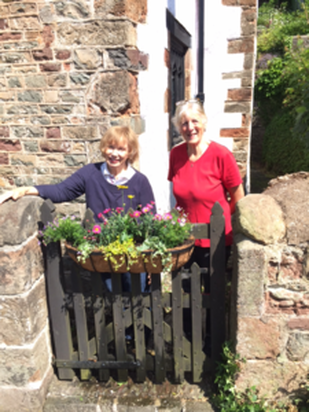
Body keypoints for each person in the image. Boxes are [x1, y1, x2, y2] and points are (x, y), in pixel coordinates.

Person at [0, 125, 155, 292]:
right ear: (104, 147)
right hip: (101, 248)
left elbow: (150, 219)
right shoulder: (91, 173)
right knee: (114, 294)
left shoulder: (140, 181)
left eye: (121, 149)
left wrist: (152, 258)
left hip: (133, 252)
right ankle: (122, 317)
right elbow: (62, 191)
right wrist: (26, 190)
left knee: (138, 295)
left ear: (130, 152)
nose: (114, 153)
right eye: (111, 147)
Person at [168, 99, 244, 289]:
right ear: (179, 127)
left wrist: (223, 219)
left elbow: (238, 199)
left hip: (215, 240)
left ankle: (212, 321)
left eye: (195, 121)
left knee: (213, 292)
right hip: (183, 239)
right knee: (184, 292)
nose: (190, 127)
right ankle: (187, 321)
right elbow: (178, 195)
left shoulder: (222, 155)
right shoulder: (176, 155)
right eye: (184, 123)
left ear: (204, 122)